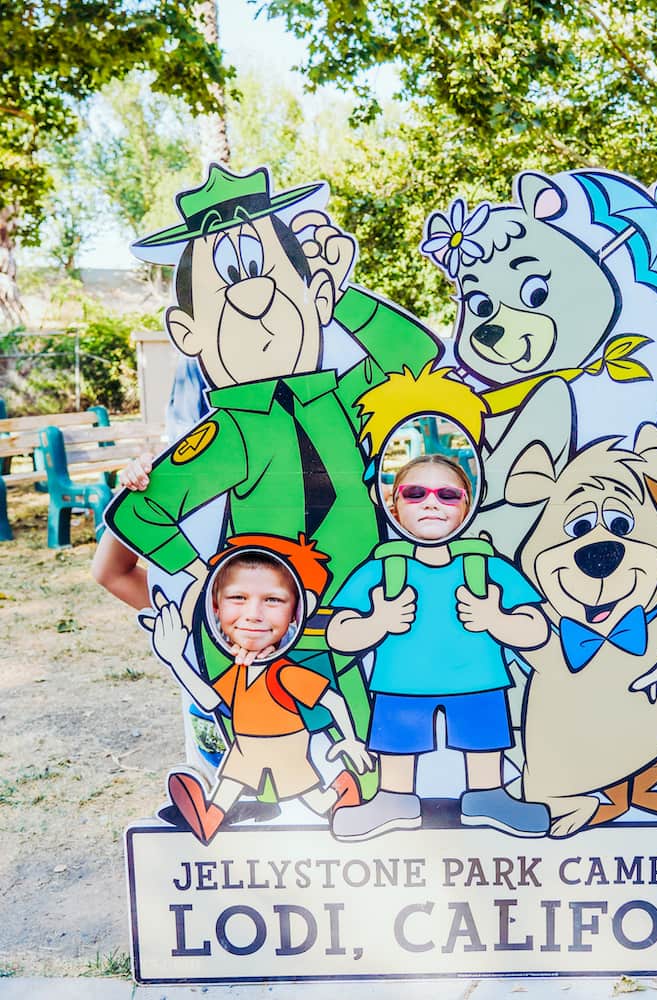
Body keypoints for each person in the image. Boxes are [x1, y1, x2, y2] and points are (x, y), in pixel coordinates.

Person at [94, 164, 441, 800]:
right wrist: (204, 584)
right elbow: (140, 519)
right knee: (278, 776)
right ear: (188, 333)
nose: (254, 298)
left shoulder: (340, 397)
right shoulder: (229, 433)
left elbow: (415, 360)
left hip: (368, 618)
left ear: (312, 297)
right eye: (226, 291)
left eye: (277, 281)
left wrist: (348, 298)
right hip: (277, 632)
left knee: (378, 766)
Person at [325, 452, 552, 841]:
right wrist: (378, 622)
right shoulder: (383, 569)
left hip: (479, 682)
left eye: (447, 494)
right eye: (415, 493)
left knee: (484, 738)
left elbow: (535, 628)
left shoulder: (484, 565)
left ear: (468, 505)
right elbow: (339, 634)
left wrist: (495, 619)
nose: (432, 502)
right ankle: (394, 799)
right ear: (393, 507)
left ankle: (488, 796)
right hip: (401, 686)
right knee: (397, 741)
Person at [143, 534, 373, 845]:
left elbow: (331, 700)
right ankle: (206, 819)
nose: (253, 613)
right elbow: (211, 700)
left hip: (285, 752)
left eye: (273, 600)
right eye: (237, 598)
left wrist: (351, 741)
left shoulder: (285, 672)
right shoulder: (238, 670)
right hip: (244, 752)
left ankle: (344, 788)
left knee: (318, 804)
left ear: (297, 610)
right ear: (215, 605)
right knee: (223, 796)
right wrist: (175, 659)